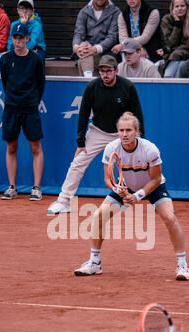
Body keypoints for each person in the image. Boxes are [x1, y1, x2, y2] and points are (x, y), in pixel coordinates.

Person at [74, 112, 189, 281]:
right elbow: (107, 178)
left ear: (137, 131)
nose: (124, 134)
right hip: (124, 186)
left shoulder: (150, 149)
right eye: (121, 130)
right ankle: (94, 262)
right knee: (99, 216)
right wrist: (116, 187)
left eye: (128, 130)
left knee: (170, 218)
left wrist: (138, 196)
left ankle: (182, 264)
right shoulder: (111, 148)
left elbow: (156, 179)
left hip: (152, 186)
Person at [47, 55, 144, 215]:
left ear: (116, 71)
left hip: (122, 134)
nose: (105, 74)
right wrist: (80, 142)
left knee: (141, 164)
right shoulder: (92, 87)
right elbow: (83, 114)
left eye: (108, 71)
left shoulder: (127, 87)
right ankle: (64, 201)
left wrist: (140, 138)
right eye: (102, 71)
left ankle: (156, 198)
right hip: (97, 132)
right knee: (78, 163)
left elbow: (137, 114)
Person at [0, 23, 45, 201]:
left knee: (35, 146)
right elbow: (5, 82)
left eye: (21, 38)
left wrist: (31, 100)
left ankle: (36, 188)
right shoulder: (5, 59)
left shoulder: (36, 60)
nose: (17, 41)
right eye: (15, 37)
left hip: (30, 108)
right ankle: (12, 187)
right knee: (11, 147)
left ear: (27, 39)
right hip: (11, 108)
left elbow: (41, 84)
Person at [72, 0, 120, 76]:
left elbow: (112, 37)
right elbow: (78, 34)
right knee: (85, 48)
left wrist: (95, 49)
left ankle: (88, 81)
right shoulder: (84, 11)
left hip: (106, 53)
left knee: (86, 52)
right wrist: (77, 48)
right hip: (87, 52)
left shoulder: (115, 12)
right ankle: (89, 80)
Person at [157, 0, 189, 77]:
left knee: (177, 57)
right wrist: (177, 24)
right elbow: (169, 43)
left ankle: (168, 79)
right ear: (172, 8)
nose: (180, 8)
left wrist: (170, 49)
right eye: (177, 6)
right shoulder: (167, 20)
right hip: (171, 55)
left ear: (187, 7)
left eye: (182, 6)